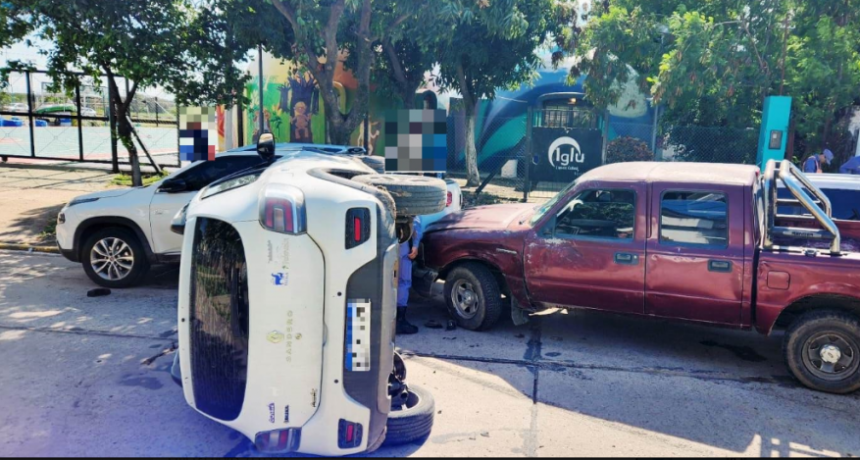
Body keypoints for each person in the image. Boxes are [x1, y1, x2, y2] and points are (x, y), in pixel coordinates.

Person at [397, 216, 423, 335]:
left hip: (376, 239)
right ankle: (399, 321)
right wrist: (415, 244)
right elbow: (415, 220)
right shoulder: (409, 199)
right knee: (403, 281)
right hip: (401, 241)